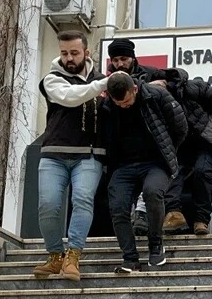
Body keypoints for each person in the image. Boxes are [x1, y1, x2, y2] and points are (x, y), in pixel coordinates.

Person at [32, 30, 108, 282]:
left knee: (83, 199)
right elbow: (72, 97)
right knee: (48, 206)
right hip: (53, 153)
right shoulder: (52, 79)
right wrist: (104, 84)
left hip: (89, 155)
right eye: (64, 53)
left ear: (86, 53)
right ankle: (55, 256)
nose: (69, 58)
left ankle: (73, 256)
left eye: (74, 52)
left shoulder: (101, 79)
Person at [101, 71, 188, 272]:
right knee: (118, 206)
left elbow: (181, 128)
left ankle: (156, 246)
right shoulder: (108, 107)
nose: (124, 106)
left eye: (127, 102)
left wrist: (167, 151)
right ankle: (130, 258)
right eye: (119, 103)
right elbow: (106, 138)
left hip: (156, 162)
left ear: (135, 89)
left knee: (152, 192)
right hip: (123, 165)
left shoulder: (157, 96)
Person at [157, 68, 212, 236]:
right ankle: (173, 213)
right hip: (182, 145)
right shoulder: (155, 103)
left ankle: (201, 220)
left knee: (203, 171)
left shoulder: (193, 89)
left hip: (207, 142)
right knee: (173, 172)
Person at [106, 38, 165, 236]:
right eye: (115, 60)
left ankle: (143, 217)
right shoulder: (106, 83)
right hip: (123, 153)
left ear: (132, 57)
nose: (119, 64)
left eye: (124, 58)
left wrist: (152, 86)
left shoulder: (150, 74)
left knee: (151, 190)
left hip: (151, 148)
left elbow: (179, 77)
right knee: (120, 200)